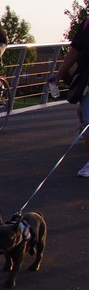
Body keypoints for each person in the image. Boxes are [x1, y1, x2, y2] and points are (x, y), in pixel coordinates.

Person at [58, 15, 89, 177]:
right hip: (87, 79)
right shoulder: (86, 24)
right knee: (88, 122)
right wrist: (59, 75)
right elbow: (75, 51)